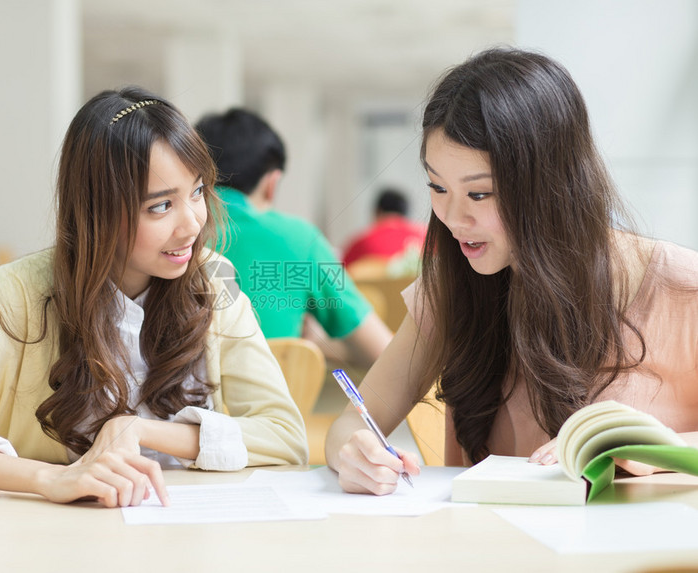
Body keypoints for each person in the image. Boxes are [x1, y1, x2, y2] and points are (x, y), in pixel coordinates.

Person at [0, 87, 308, 507]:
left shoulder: (213, 280)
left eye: (196, 192)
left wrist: (138, 430)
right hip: (54, 539)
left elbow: (285, 436)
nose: (192, 223)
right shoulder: (20, 293)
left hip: (185, 534)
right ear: (98, 212)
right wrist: (49, 479)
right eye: (160, 206)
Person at [326, 47, 698, 495]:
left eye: (479, 194)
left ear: (550, 186)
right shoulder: (454, 286)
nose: (453, 217)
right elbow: (356, 417)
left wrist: (658, 448)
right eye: (437, 187)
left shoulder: (681, 291)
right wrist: (354, 452)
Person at [195, 108, 393, 368]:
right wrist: (313, 347)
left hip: (174, 404)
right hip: (270, 405)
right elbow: (383, 353)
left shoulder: (170, 231)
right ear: (271, 183)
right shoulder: (301, 239)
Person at [341, 187, 427, 268]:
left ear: (378, 211)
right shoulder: (427, 237)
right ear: (405, 213)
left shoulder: (362, 242)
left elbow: (339, 274)